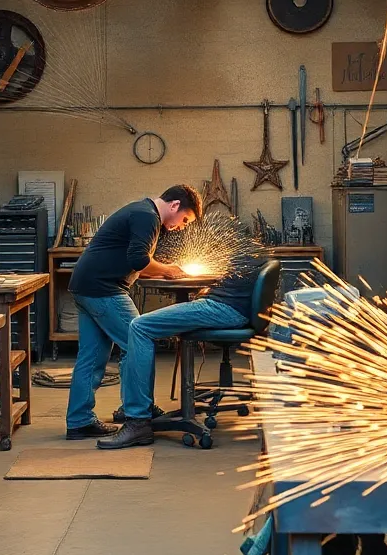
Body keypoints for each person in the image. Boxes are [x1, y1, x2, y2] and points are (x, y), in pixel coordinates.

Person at [64, 185, 202, 440]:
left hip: (85, 286)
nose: (182, 227)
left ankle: (79, 421)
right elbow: (138, 260)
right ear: (174, 206)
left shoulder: (143, 212)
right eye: (184, 220)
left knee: (92, 357)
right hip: (103, 289)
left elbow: (134, 258)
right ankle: (138, 413)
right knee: (139, 341)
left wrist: (162, 269)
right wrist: (169, 270)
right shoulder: (147, 216)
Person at [98, 253, 266, 450]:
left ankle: (138, 421)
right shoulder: (253, 253)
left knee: (139, 326)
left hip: (223, 309)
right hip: (228, 308)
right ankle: (143, 412)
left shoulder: (244, 250)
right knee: (143, 326)